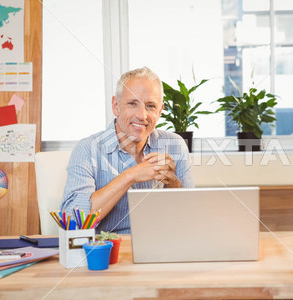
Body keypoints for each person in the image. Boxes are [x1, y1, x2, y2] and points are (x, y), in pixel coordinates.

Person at [60, 67, 194, 233]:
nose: (142, 115)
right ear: (116, 106)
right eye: (132, 103)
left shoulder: (175, 145)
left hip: (158, 247)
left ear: (159, 112)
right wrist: (131, 175)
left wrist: (174, 183)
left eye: (150, 106)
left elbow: (189, 218)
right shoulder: (87, 149)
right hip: (107, 250)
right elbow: (73, 220)